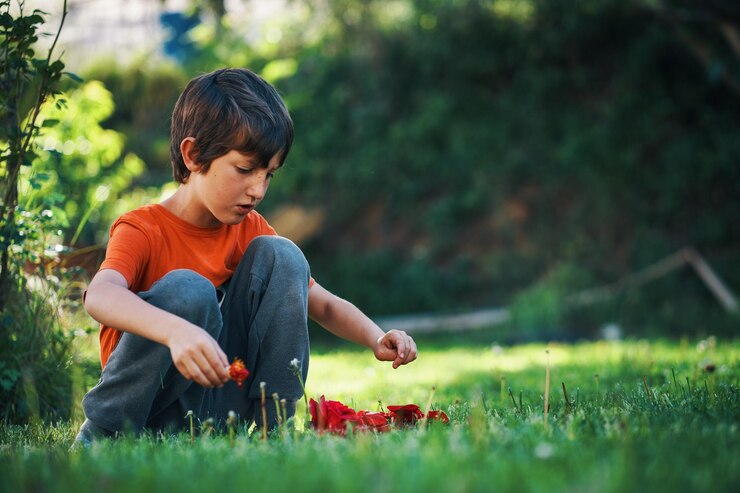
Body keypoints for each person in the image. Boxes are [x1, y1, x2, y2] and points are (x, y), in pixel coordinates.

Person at [74, 68, 418, 446]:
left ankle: (276, 431)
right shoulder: (143, 229)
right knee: (190, 291)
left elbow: (322, 304)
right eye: (245, 169)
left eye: (269, 174)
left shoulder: (249, 228)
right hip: (146, 411)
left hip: (219, 406)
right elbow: (100, 296)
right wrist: (174, 330)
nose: (258, 189)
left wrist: (376, 336)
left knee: (283, 254)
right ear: (192, 155)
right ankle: (100, 436)